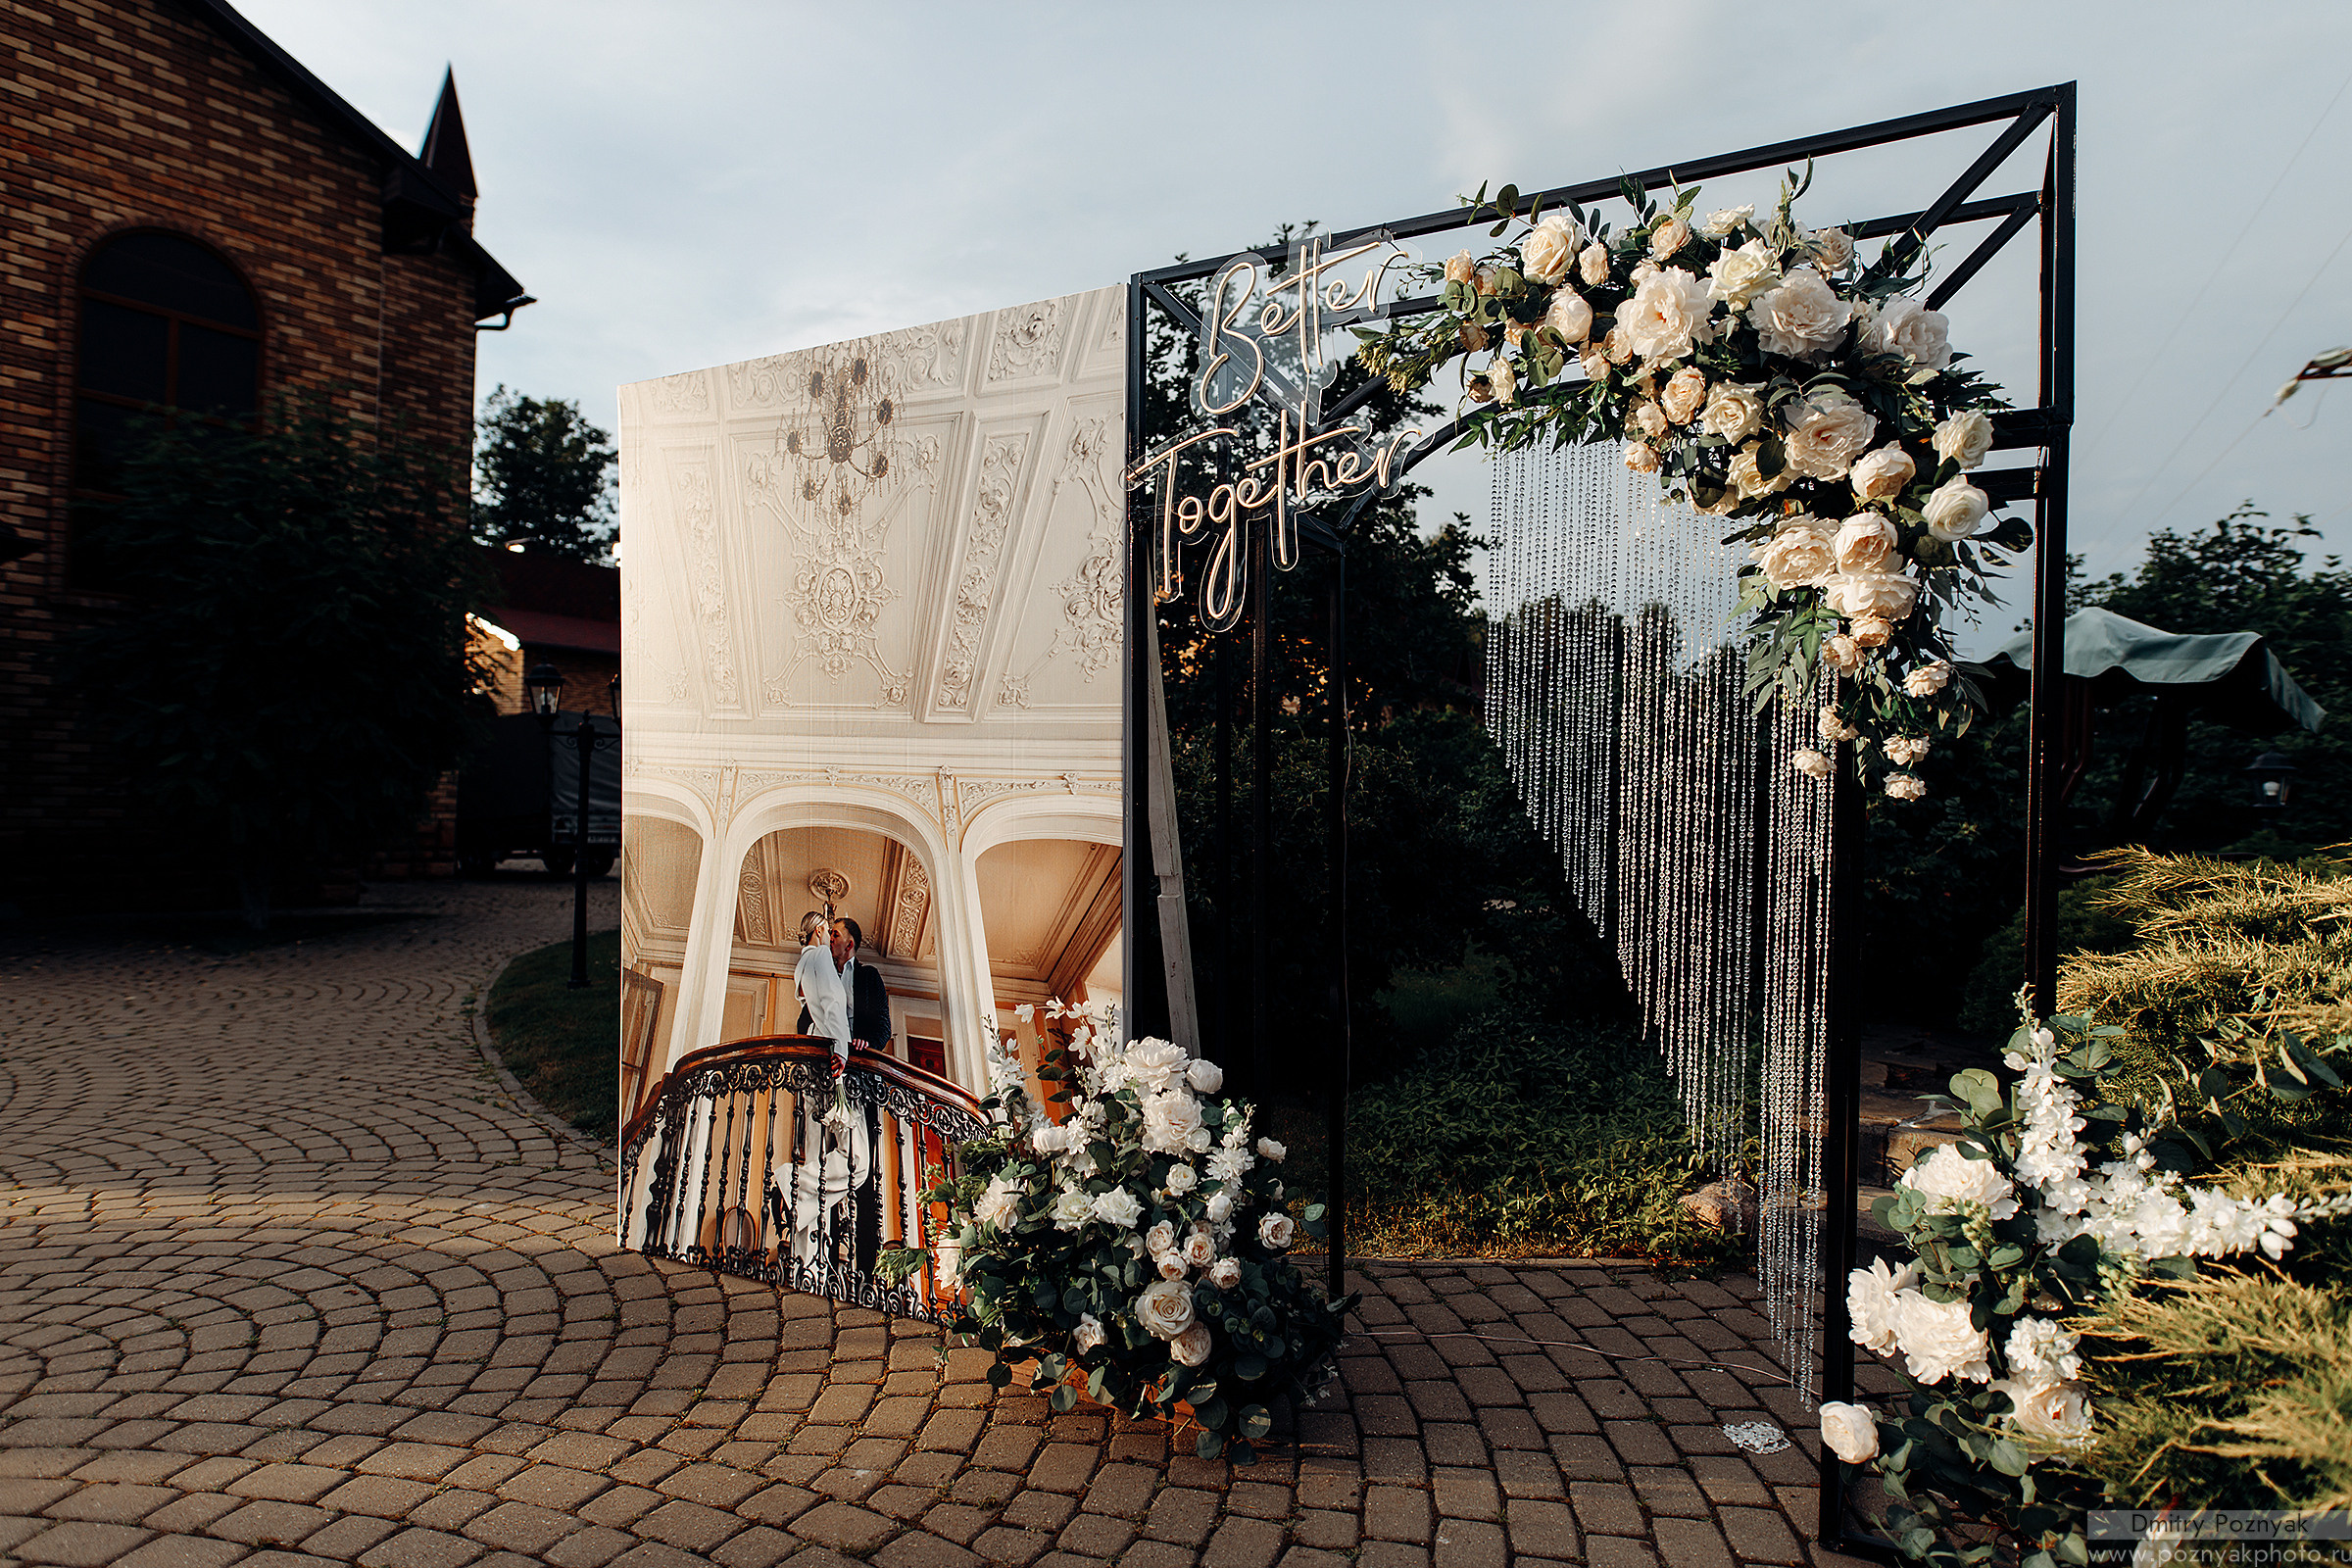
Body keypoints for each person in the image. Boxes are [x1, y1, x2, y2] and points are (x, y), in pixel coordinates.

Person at [791, 910, 849, 1063]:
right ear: (818, 930)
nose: (830, 938)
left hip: (812, 1042)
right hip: (829, 1046)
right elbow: (832, 1000)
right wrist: (841, 1049)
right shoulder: (821, 953)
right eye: (828, 931)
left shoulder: (801, 965)